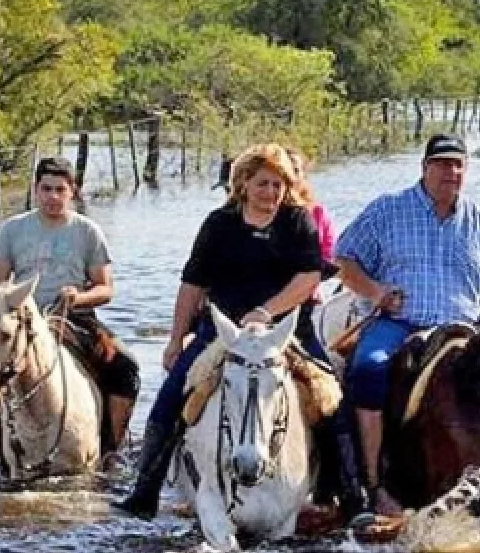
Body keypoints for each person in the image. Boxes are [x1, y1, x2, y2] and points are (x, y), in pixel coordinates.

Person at [114, 143, 331, 520]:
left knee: (332, 401)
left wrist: (266, 311)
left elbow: (309, 276)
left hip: (286, 332)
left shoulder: (298, 222)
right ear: (243, 184)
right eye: (263, 183)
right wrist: (175, 339)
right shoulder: (219, 224)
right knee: (170, 399)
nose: (270, 192)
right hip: (221, 334)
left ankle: (348, 492)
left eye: (278, 185)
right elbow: (192, 284)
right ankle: (144, 492)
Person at [334, 134, 480, 515]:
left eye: (458, 165)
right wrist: (376, 290)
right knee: (367, 370)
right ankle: (373, 485)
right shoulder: (388, 210)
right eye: (442, 164)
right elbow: (344, 260)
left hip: (462, 332)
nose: (451, 172)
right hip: (399, 324)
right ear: (425, 168)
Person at [0, 157, 140, 468]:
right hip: (24, 321)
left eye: (60, 189)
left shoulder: (87, 231)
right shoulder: (12, 231)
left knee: (126, 367)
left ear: (73, 191)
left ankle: (110, 449)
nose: (52, 197)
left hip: (73, 317)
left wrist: (78, 297)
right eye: (46, 189)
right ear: (35, 189)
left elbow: (105, 289)